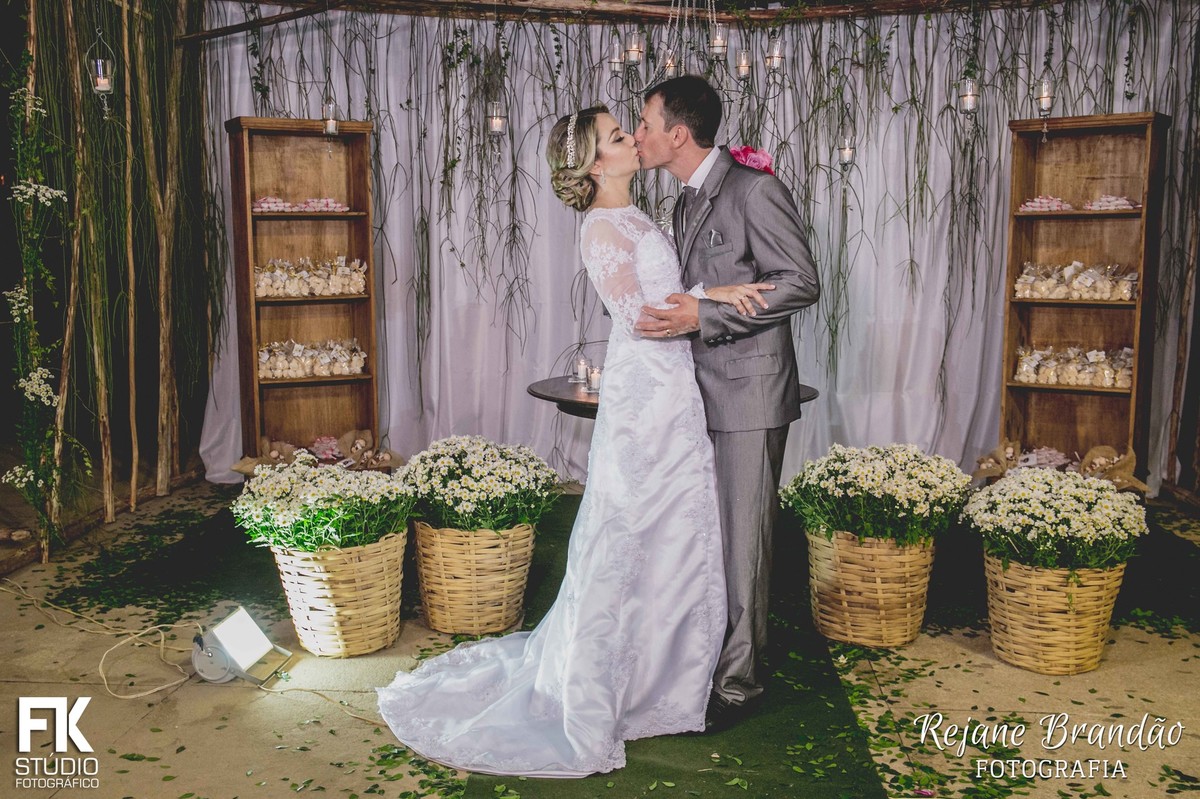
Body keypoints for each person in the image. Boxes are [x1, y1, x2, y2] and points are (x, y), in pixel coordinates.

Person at [377, 105, 773, 777]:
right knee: (630, 531)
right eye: (621, 137)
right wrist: (717, 300)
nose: (634, 140)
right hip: (648, 394)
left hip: (673, 387)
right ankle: (611, 682)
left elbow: (669, 297)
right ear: (597, 164)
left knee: (673, 530)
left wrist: (713, 291)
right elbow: (644, 319)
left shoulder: (639, 216)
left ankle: (668, 676)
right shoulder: (602, 230)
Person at [632, 75, 821, 731]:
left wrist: (703, 310)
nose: (638, 135)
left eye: (645, 123)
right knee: (706, 538)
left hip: (748, 395)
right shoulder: (684, 202)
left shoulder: (754, 188)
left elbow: (801, 280)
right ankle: (710, 660)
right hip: (699, 396)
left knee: (744, 543)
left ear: (677, 133)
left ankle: (740, 682)